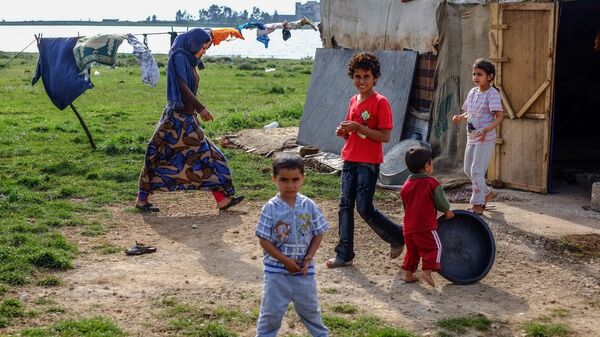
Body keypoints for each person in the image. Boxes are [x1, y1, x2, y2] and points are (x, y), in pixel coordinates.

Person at [135, 28, 244, 212]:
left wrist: (195, 113)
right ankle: (142, 198)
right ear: (194, 43)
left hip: (186, 118)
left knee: (202, 156)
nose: (204, 51)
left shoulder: (188, 60)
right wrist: (200, 109)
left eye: (206, 48)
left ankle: (221, 199)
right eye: (203, 47)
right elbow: (182, 87)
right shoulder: (178, 57)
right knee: (164, 156)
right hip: (176, 120)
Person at [326, 52, 405, 268]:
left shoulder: (381, 103)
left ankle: (397, 235)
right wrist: (344, 132)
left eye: (366, 76)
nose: (361, 81)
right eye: (357, 76)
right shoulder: (354, 100)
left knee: (364, 208)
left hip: (368, 163)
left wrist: (359, 127)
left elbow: (385, 136)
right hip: (349, 158)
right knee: (344, 206)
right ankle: (344, 254)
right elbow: (353, 131)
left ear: (375, 78)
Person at [255, 152, 329, 337]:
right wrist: (285, 261)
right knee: (271, 314)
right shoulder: (271, 208)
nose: (290, 185)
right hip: (276, 274)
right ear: (274, 179)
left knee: (311, 312)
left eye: (295, 179)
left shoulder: (309, 205)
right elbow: (264, 240)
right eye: (284, 180)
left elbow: (318, 233)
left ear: (303, 178)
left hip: (304, 272)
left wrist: (309, 257)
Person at [452, 58, 504, 215]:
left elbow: (499, 117)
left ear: (489, 76)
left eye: (479, 74)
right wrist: (461, 117)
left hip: (485, 140)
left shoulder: (492, 94)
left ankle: (478, 204)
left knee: (476, 171)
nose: (475, 77)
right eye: (474, 74)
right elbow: (471, 112)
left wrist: (486, 129)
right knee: (468, 169)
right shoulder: (473, 92)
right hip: (472, 137)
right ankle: (487, 193)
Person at [400, 146, 454, 287]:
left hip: (408, 227)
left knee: (412, 252)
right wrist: (447, 210)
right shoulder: (432, 183)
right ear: (427, 166)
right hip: (425, 226)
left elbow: (407, 205)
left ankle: (408, 275)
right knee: (435, 247)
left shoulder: (406, 185)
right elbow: (441, 202)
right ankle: (427, 271)